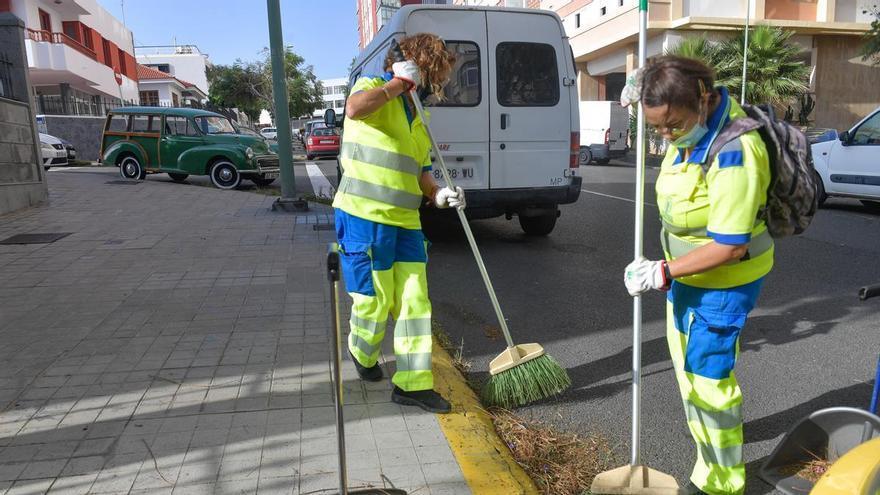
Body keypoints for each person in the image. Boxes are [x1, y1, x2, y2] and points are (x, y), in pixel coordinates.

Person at [623, 56, 774, 495]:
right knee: (688, 375)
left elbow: (730, 246)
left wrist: (663, 271)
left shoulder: (735, 152)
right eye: (658, 129)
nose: (667, 136)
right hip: (687, 280)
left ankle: (722, 483)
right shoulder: (689, 118)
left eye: (672, 125)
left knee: (710, 383)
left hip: (723, 284)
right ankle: (708, 458)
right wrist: (642, 81)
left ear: (703, 100)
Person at [333, 33, 462, 414]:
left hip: (406, 223)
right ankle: (362, 351)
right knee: (374, 303)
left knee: (415, 304)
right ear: (419, 65)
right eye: (436, 73)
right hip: (363, 217)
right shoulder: (373, 87)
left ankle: (413, 385)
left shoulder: (417, 117)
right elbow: (354, 109)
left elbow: (420, 170)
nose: (437, 84)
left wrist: (438, 194)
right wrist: (395, 84)